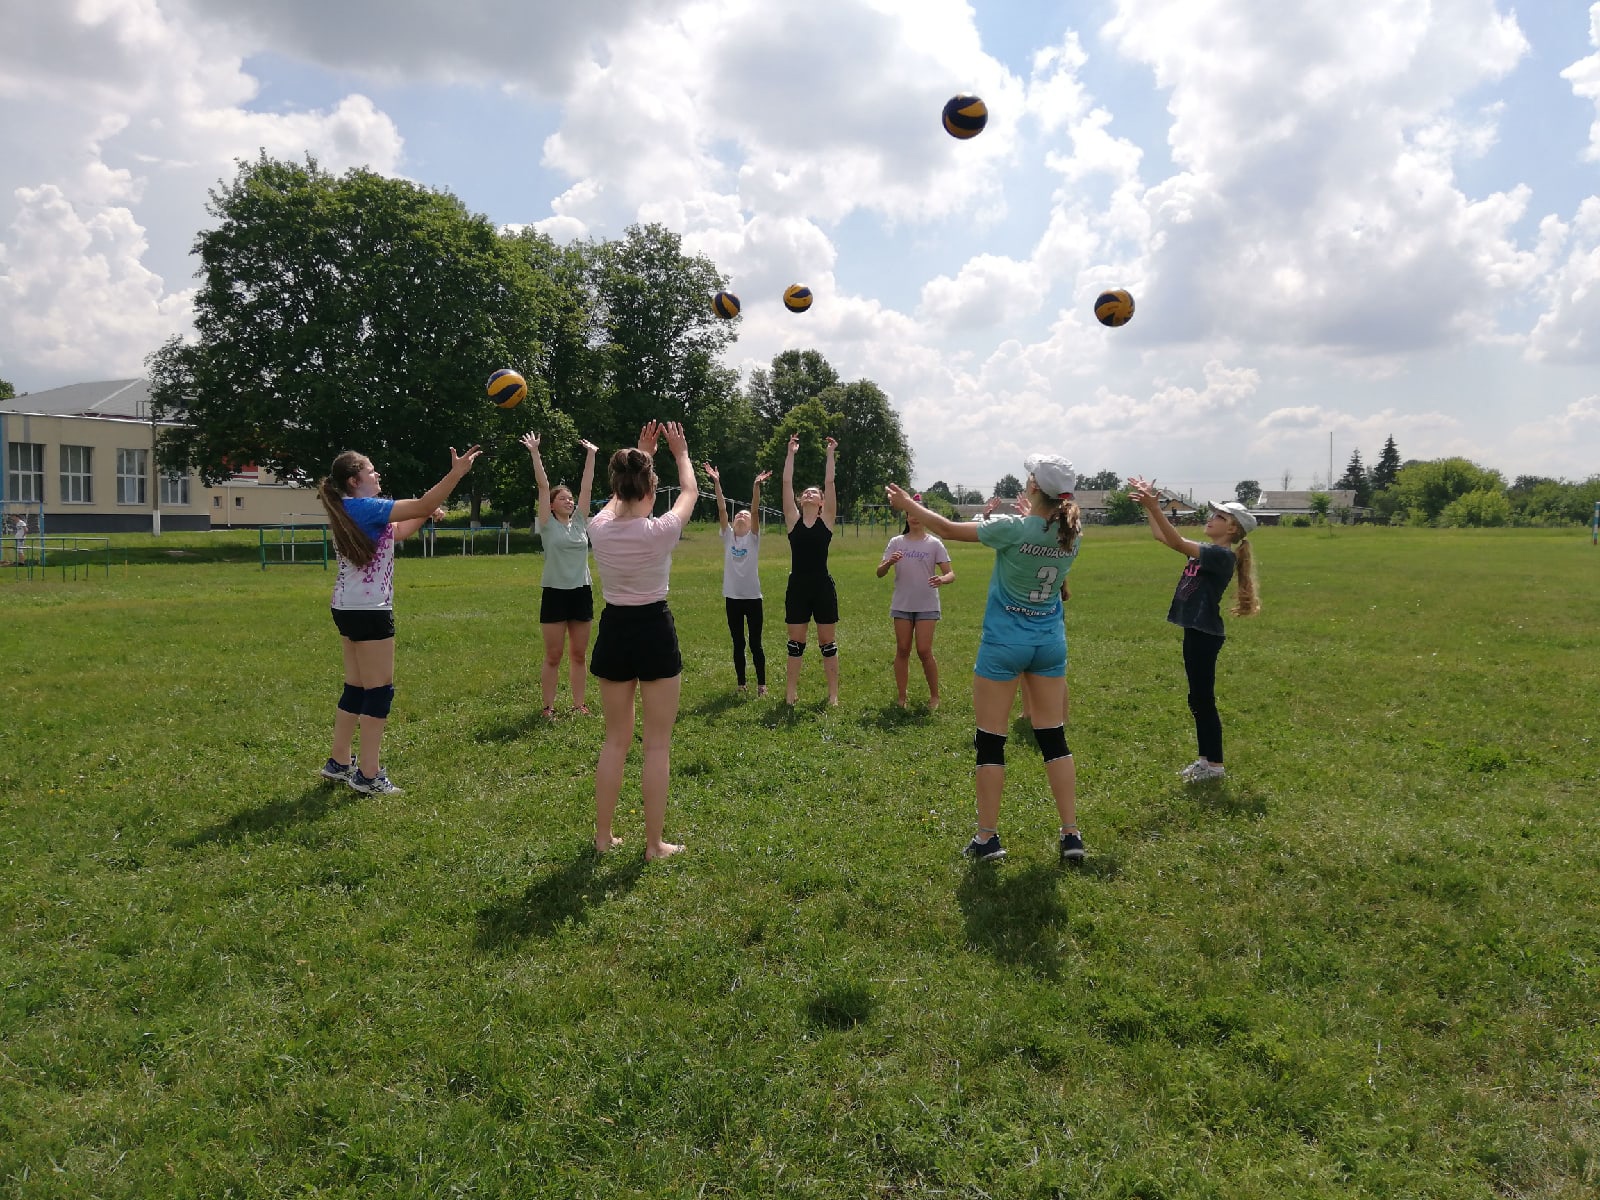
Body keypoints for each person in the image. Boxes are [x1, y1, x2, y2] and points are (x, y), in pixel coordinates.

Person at [887, 452, 1086, 863]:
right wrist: (1033, 514)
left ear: (1034, 487)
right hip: (1049, 643)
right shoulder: (1072, 532)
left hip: (1003, 645)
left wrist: (908, 505)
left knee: (991, 741)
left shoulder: (1012, 528)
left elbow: (945, 528)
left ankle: (987, 839)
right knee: (1054, 737)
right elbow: (1043, 534)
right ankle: (1071, 835)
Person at [317, 444, 482, 794]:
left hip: (347, 606)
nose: (377, 475)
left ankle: (339, 762)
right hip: (369, 610)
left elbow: (402, 530)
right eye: (371, 471)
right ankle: (369, 774)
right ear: (353, 480)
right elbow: (419, 504)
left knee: (356, 687)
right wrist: (455, 474)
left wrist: (426, 512)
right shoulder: (364, 507)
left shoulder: (353, 508)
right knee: (379, 691)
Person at [587, 421, 698, 860]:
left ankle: (602, 837)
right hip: (653, 629)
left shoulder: (599, 528)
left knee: (615, 740)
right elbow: (688, 488)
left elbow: (621, 498)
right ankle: (654, 845)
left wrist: (641, 453)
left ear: (617, 487)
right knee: (657, 744)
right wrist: (679, 452)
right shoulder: (662, 530)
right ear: (651, 490)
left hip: (614, 629)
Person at [1126, 478, 1261, 782]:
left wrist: (1154, 506)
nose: (1211, 519)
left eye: (1219, 517)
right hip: (1196, 632)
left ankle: (1215, 767)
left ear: (1232, 530)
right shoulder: (1207, 550)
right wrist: (1151, 508)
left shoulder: (1221, 555)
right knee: (1197, 699)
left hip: (1205, 635)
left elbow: (1174, 541)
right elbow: (1163, 536)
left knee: (1203, 700)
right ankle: (1206, 760)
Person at [523, 432, 599, 719]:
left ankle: (579, 705)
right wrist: (534, 452)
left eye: (570, 498)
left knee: (579, 655)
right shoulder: (546, 525)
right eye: (562, 498)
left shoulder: (580, 522)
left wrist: (591, 454)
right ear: (551, 505)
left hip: (581, 591)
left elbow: (587, 488)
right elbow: (543, 486)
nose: (568, 501)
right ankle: (548, 707)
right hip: (555, 593)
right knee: (554, 656)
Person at [875, 497, 954, 708]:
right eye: (910, 514)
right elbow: (879, 572)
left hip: (927, 604)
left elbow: (950, 574)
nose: (914, 518)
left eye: (919, 514)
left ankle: (935, 696)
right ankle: (902, 697)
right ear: (907, 517)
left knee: (924, 650)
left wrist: (942, 579)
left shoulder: (934, 544)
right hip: (902, 604)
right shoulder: (896, 542)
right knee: (902, 649)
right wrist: (889, 562)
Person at [781, 433, 840, 705]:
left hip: (822, 586)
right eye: (805, 492)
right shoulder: (792, 521)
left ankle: (833, 695)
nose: (808, 493)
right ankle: (791, 693)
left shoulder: (826, 521)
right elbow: (786, 482)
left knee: (827, 643)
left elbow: (830, 481)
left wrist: (830, 454)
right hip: (798, 587)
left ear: (821, 503)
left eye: (814, 493)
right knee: (796, 644)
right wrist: (791, 454)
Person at [706, 461, 773, 696]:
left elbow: (754, 510)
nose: (742, 516)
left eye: (744, 515)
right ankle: (741, 684)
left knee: (756, 643)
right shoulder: (728, 537)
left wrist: (756, 486)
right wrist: (716, 481)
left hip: (753, 598)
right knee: (738, 643)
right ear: (733, 524)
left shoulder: (753, 539)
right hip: (732, 598)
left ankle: (762, 685)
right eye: (738, 515)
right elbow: (722, 509)